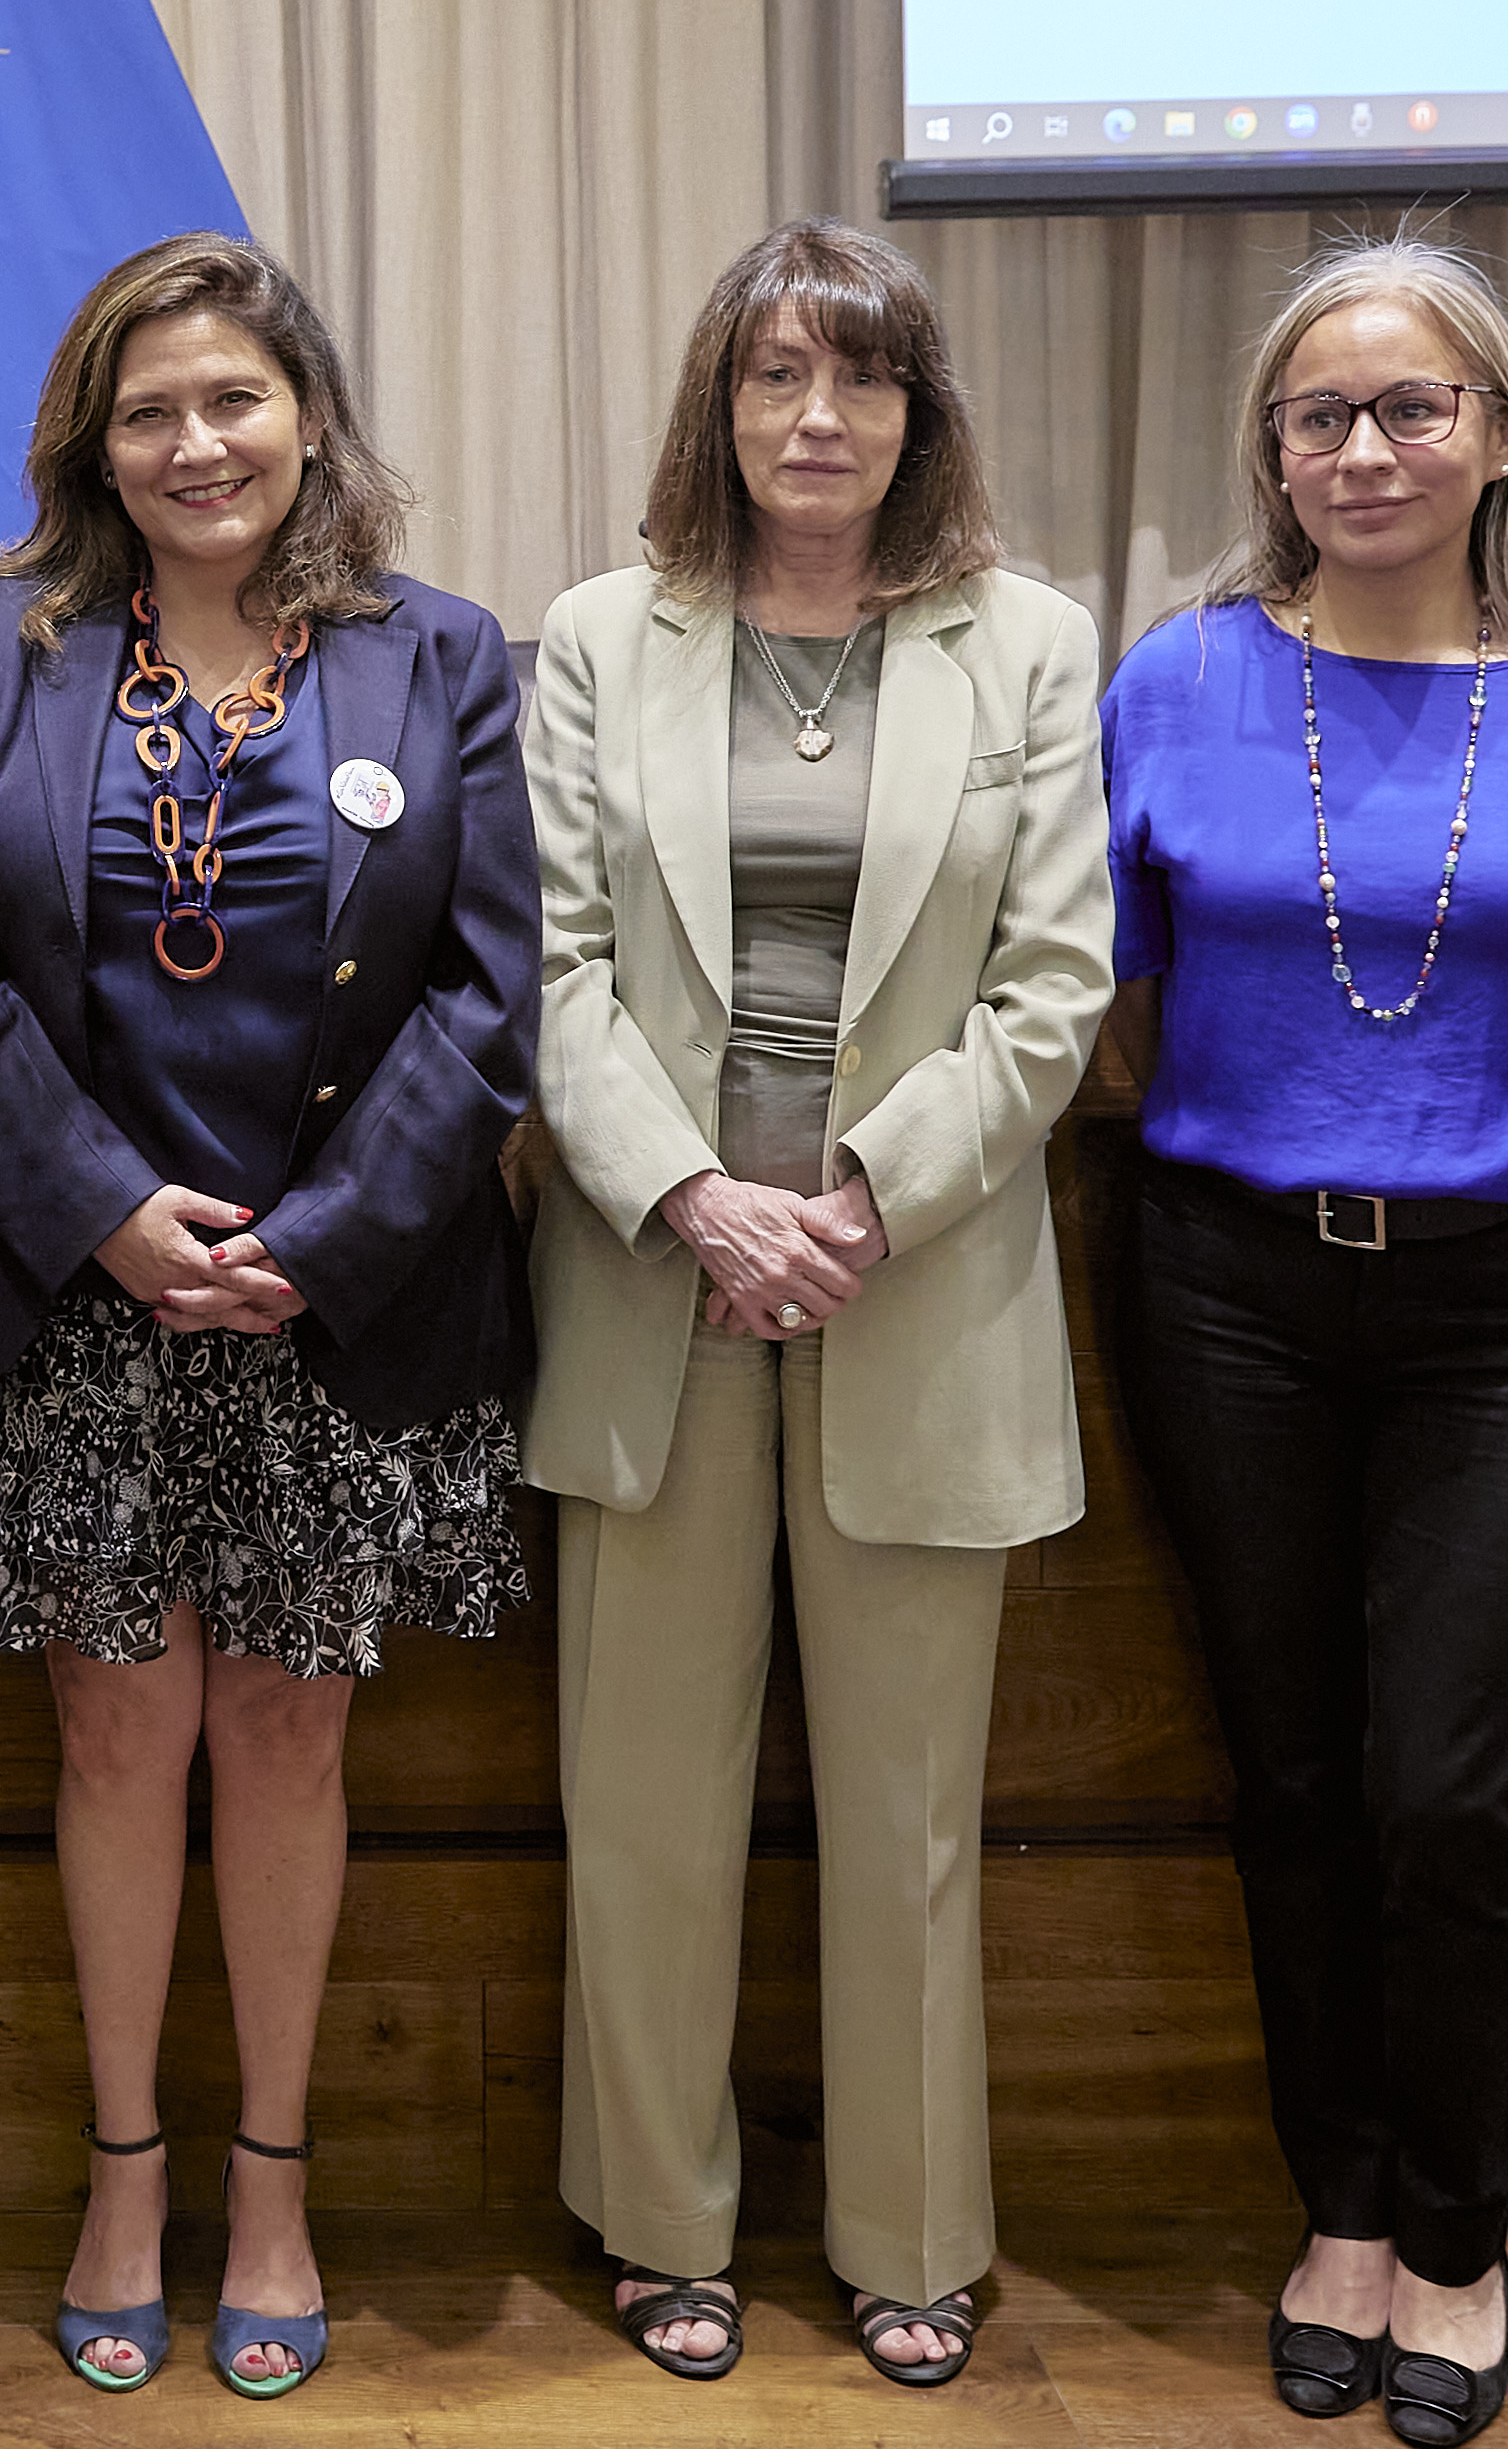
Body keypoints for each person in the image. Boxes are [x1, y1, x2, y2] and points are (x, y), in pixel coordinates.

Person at [1093, 234, 1508, 2449]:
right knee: (1286, 1779)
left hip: (1507, 1314)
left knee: (1446, 1794)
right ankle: (1340, 2214)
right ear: (1267, 455)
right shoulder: (1175, 675)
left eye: (1408, 409)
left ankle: (1458, 2242)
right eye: (1318, 416)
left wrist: (1459, 1152)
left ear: (1494, 437)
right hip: (1224, 1294)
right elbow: (1108, 985)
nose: (1362, 449)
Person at [0, 233, 538, 2403]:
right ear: (94, 439)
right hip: (76, 1305)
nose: (192, 444)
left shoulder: (437, 657)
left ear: (307, 416)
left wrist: (320, 1238)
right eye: (146, 410)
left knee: (286, 1729)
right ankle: (125, 2170)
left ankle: (269, 2178)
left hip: (336, 1302)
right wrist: (105, 1218)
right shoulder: (5, 644)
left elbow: (491, 989)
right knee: (110, 1734)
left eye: (231, 401)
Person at [520, 221, 1112, 2397]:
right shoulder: (601, 636)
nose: (812, 420)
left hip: (914, 1280)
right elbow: (555, 972)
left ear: (914, 414)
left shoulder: (1022, 644)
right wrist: (696, 1195)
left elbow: (1053, 988)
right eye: (772, 378)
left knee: (910, 1813)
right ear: (717, 406)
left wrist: (858, 1193)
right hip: (650, 1281)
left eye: (855, 382)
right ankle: (659, 2218)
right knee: (645, 1800)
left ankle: (913, 2235)